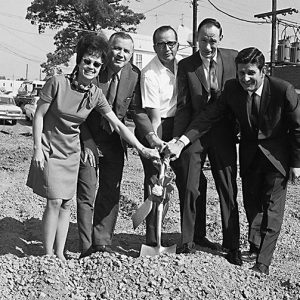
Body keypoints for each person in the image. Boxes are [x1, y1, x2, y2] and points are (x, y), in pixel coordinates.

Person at [166, 47, 300, 275]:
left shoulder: (283, 89)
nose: (245, 79)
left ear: (263, 70)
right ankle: (256, 244)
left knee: (272, 208)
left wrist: (296, 164)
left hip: (278, 158)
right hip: (249, 157)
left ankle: (263, 262)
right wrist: (182, 141)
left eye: (251, 73)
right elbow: (209, 115)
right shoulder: (232, 89)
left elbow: (298, 128)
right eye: (241, 73)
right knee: (251, 205)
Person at [26, 33, 159, 261]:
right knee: (62, 199)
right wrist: (38, 147)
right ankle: (57, 253)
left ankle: (68, 251)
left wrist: (143, 147)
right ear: (79, 61)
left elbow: (119, 123)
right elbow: (39, 116)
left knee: (74, 201)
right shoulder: (59, 82)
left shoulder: (104, 90)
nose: (91, 66)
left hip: (86, 148)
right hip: (62, 145)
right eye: (87, 61)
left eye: (96, 64)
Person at [76, 32, 162, 258]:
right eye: (116, 48)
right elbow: (78, 114)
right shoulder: (93, 69)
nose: (120, 54)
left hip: (115, 142)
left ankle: (102, 242)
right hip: (88, 139)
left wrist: (151, 137)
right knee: (86, 191)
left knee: (110, 192)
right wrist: (87, 142)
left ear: (132, 55)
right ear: (108, 49)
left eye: (126, 51)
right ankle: (86, 246)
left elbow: (138, 113)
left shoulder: (134, 76)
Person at [167, 18, 241, 264]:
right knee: (189, 185)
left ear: (220, 38)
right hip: (195, 133)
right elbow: (183, 106)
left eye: (212, 40)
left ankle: (232, 246)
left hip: (223, 133)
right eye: (202, 40)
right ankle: (189, 240)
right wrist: (178, 138)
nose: (207, 46)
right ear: (196, 39)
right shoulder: (187, 65)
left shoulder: (233, 59)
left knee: (227, 188)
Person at [134, 25, 181, 246]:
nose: (166, 48)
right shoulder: (149, 73)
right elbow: (153, 116)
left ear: (177, 44)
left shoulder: (184, 66)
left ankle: (189, 236)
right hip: (159, 125)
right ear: (154, 47)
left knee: (179, 183)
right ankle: (153, 240)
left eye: (170, 43)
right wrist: (158, 143)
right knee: (157, 183)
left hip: (179, 124)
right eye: (161, 44)